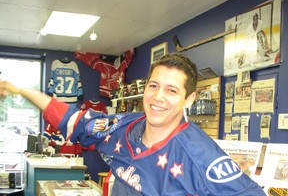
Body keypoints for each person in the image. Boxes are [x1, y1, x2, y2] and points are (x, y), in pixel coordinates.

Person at [0, 53, 265, 195]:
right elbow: (72, 119)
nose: (158, 97)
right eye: (153, 85)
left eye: (172, 91)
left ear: (189, 99)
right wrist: (21, 90)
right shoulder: (122, 125)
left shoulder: (201, 156)